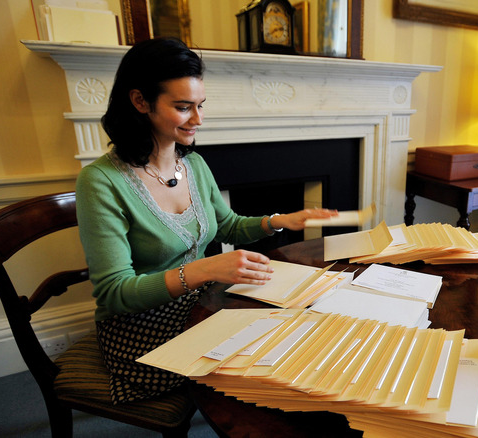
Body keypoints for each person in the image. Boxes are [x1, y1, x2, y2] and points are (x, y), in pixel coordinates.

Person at [75, 37, 336, 405]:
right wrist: (204, 269)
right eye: (183, 107)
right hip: (141, 327)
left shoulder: (193, 165)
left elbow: (227, 224)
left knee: (296, 324)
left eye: (200, 106)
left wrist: (280, 220)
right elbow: (115, 294)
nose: (198, 119)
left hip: (199, 301)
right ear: (139, 101)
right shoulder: (100, 182)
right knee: (267, 361)